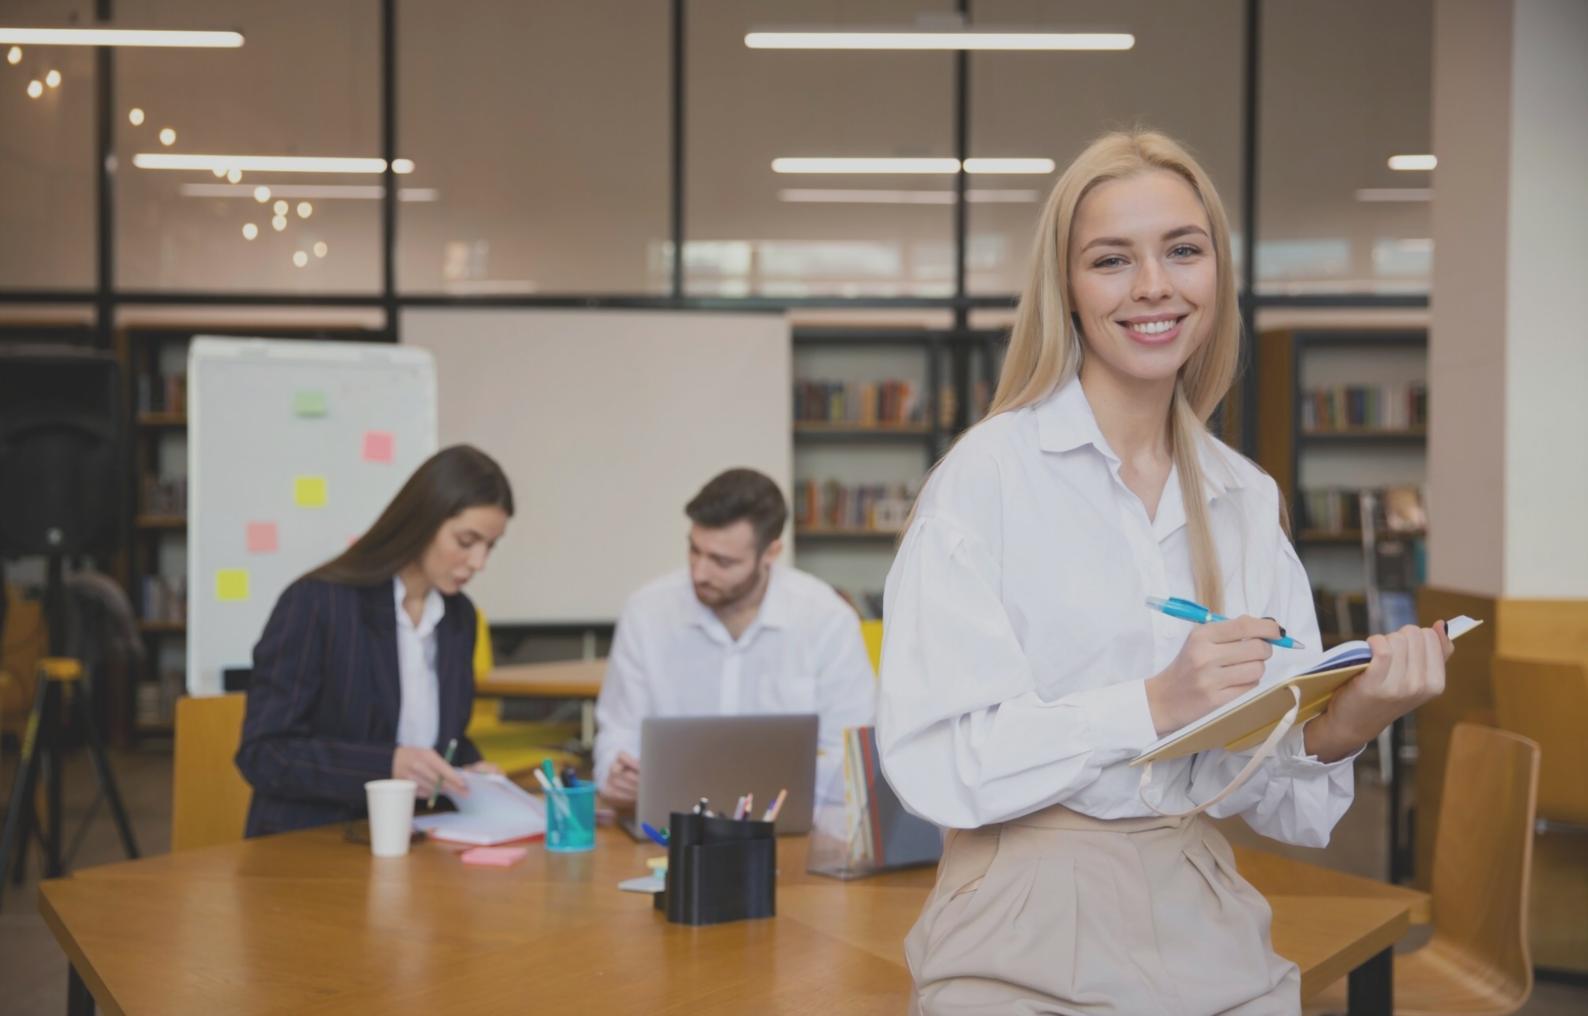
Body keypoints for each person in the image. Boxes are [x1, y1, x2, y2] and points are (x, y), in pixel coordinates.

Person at [877, 129, 1452, 1015]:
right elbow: (937, 760)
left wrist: (1352, 720)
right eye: (1112, 260)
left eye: (1183, 250)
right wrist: (1150, 705)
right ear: (1066, 289)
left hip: (1199, 898)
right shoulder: (987, 477)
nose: (1154, 286)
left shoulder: (1243, 498)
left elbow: (1273, 799)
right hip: (1019, 915)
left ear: (1217, 272)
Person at [236, 444, 513, 837]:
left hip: (416, 843)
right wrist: (386, 767)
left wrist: (471, 774)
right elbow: (264, 754)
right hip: (314, 846)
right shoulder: (316, 603)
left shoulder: (458, 617)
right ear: (422, 520)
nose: (478, 563)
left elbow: (441, 740)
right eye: (466, 542)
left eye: (490, 546)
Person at [594, 467, 876, 810]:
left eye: (721, 561)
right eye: (694, 551)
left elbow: (852, 760)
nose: (699, 572)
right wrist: (615, 773)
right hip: (669, 829)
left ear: (770, 553)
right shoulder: (647, 612)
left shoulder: (826, 620)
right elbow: (616, 732)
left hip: (789, 833)